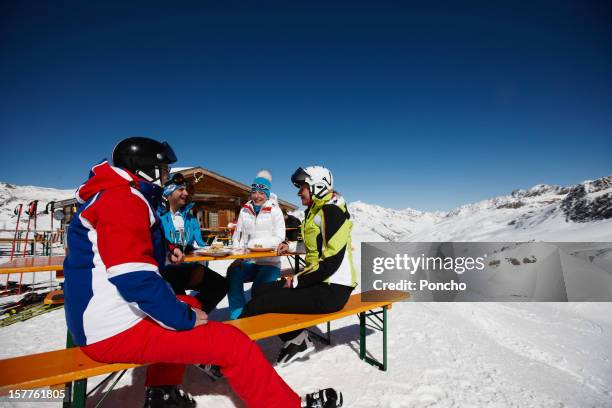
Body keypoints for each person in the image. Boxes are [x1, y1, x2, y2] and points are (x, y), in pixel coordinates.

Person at [63, 138, 343, 408]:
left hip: (99, 320)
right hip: (112, 329)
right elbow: (135, 278)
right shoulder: (123, 199)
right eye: (162, 169)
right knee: (232, 344)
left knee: (193, 302)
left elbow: (126, 249)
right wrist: (180, 318)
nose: (165, 176)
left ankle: (162, 394)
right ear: (144, 168)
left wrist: (168, 249)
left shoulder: (115, 195)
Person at [240, 166, 357, 367]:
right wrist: (291, 245)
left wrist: (295, 281)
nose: (298, 192)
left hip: (332, 289)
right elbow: (316, 245)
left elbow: (330, 262)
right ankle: (296, 339)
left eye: (302, 187)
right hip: (319, 282)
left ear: (317, 186)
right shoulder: (317, 210)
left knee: (258, 305)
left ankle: (226, 354)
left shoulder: (331, 211)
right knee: (260, 289)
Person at [158, 174, 228, 315]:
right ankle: (183, 318)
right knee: (176, 298)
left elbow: (200, 245)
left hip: (188, 267)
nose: (186, 193)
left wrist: (201, 266)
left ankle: (195, 314)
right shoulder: (157, 217)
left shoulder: (190, 219)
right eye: (181, 190)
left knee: (221, 284)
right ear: (169, 192)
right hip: (165, 272)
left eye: (186, 190)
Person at [226, 170, 286, 320]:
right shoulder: (245, 210)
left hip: (270, 263)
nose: (257, 196)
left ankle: (255, 319)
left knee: (258, 290)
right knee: (232, 274)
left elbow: (279, 237)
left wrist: (255, 244)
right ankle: (238, 316)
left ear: (267, 193)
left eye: (261, 192)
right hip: (249, 261)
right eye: (254, 192)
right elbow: (238, 235)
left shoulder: (275, 210)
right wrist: (238, 257)